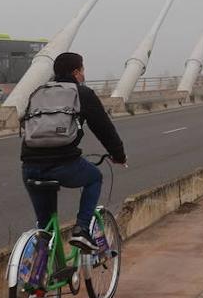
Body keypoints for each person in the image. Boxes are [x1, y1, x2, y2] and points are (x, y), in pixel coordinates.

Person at [21, 52, 127, 252]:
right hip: (62, 164)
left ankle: (38, 272)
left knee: (45, 227)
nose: (84, 74)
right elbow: (103, 128)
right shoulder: (82, 93)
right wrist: (118, 155)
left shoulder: (38, 92)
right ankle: (82, 229)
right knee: (94, 177)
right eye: (83, 70)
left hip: (30, 166)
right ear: (76, 72)